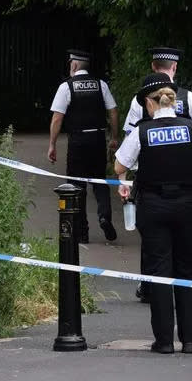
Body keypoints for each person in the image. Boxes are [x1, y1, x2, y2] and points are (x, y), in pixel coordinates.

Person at [114, 73, 192, 354]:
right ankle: (190, 340)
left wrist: (126, 177)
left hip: (153, 206)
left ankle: (164, 341)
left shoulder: (142, 131)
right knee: (187, 270)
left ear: (149, 103)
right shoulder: (191, 127)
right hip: (188, 205)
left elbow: (120, 166)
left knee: (159, 271)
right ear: (173, 101)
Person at [126, 47, 192, 302]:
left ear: (154, 66)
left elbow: (130, 137)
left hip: (149, 182)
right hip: (185, 184)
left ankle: (150, 286)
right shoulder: (191, 98)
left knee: (153, 241)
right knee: (185, 248)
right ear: (174, 68)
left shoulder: (139, 99)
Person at [48, 49, 119, 243]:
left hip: (78, 141)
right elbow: (113, 111)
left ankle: (82, 231)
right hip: (97, 139)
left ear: (74, 65)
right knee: (100, 182)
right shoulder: (101, 85)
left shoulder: (66, 87)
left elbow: (57, 118)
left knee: (76, 185)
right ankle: (104, 217)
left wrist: (52, 145)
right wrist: (114, 137)